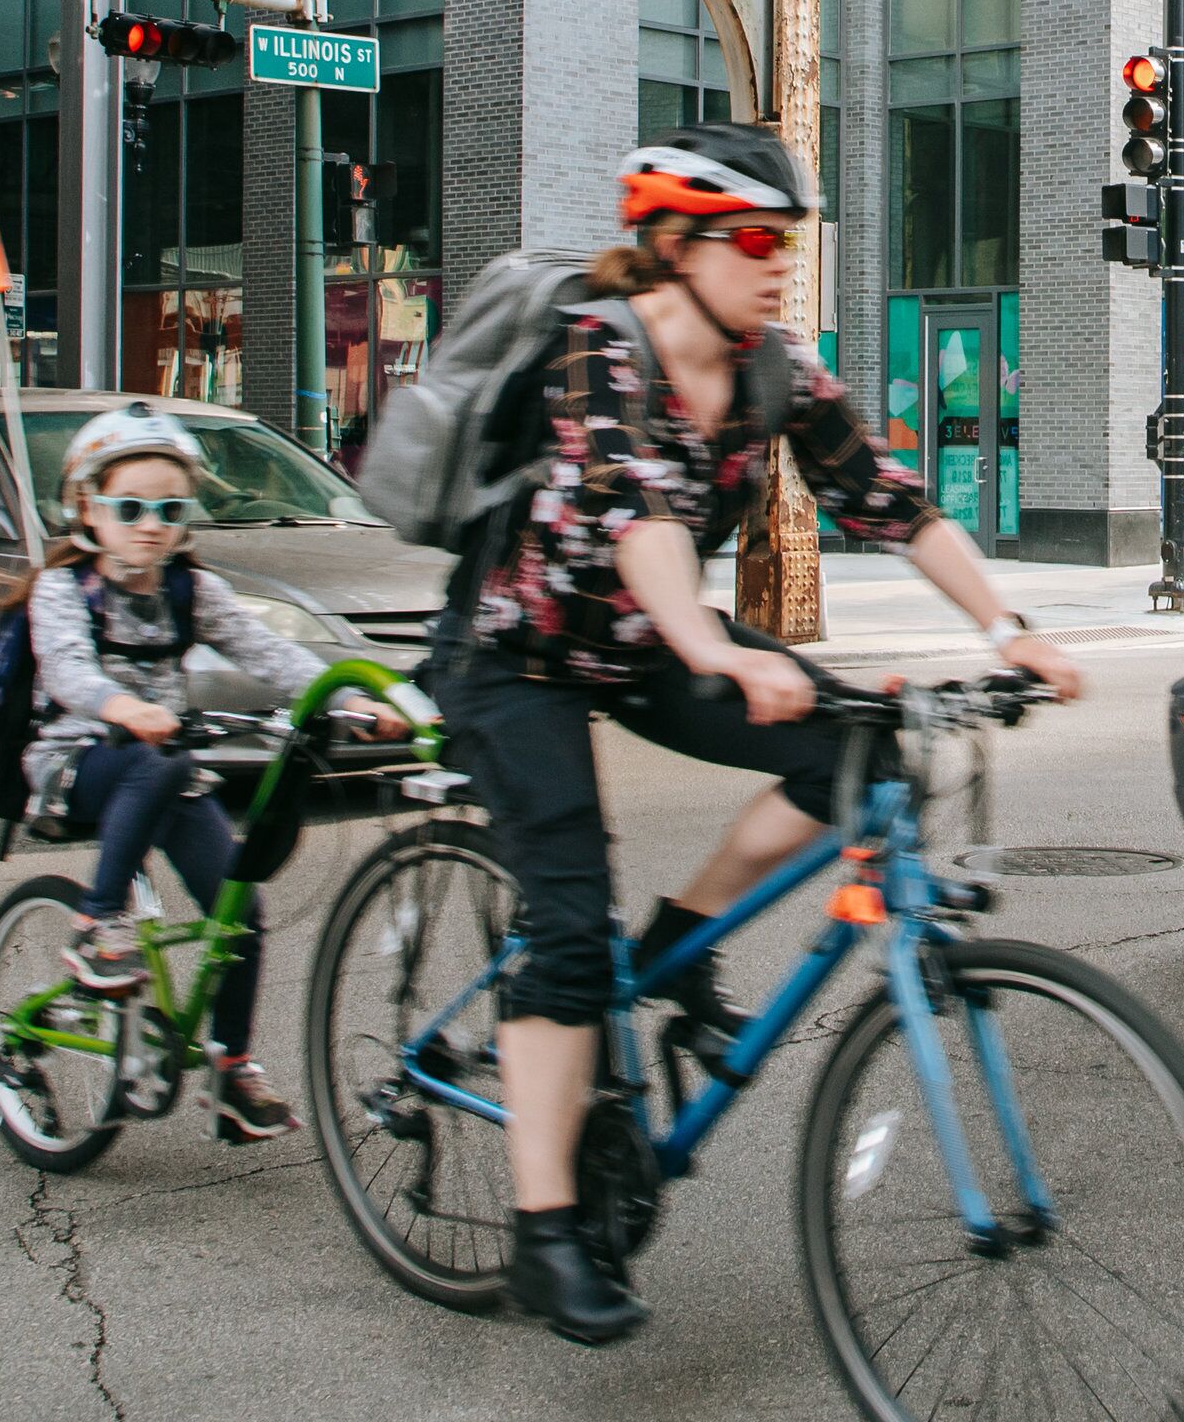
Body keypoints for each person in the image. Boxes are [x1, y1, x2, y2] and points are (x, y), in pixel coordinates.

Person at [443, 121, 1088, 1346]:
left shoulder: (777, 367)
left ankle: (681, 945)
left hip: (644, 646)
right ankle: (542, 1234)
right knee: (569, 934)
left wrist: (1012, 627)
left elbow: (893, 503)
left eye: (789, 239)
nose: (777, 260)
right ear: (673, 245)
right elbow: (634, 517)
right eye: (751, 237)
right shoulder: (601, 348)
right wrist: (714, 648)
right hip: (514, 653)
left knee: (858, 756)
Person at [22, 403, 403, 1143]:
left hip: (162, 769)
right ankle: (94, 929)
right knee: (152, 763)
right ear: (87, 511)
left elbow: (271, 655)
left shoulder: (191, 591)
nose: (151, 524)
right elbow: (67, 671)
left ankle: (232, 1068)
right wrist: (124, 707)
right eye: (129, 507)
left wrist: (350, 700)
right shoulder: (64, 591)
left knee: (241, 913)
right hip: (76, 762)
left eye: (170, 508)